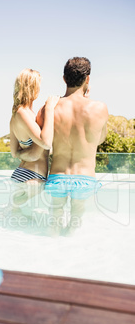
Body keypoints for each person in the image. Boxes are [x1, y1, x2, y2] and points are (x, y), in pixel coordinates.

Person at [35, 57, 108, 235]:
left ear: (64, 78)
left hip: (57, 176)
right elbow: (99, 139)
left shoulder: (49, 108)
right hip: (85, 178)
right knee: (74, 225)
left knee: (54, 223)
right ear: (87, 79)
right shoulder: (100, 108)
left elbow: (43, 140)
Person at [9, 68, 59, 211]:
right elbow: (45, 142)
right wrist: (49, 108)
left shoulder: (16, 115)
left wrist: (25, 154)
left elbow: (14, 153)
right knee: (12, 209)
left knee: (16, 216)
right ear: (32, 87)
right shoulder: (22, 113)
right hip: (32, 176)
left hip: (25, 173)